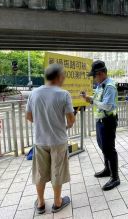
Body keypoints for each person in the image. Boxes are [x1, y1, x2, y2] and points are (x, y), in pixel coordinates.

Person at [26, 64, 75, 214]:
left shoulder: (34, 94)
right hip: (58, 141)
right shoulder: (64, 94)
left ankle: (40, 203)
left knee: (40, 173)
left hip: (40, 140)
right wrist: (65, 126)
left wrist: (43, 124)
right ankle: (57, 202)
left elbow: (29, 116)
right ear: (59, 77)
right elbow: (71, 120)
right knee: (57, 171)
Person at [81, 60, 120, 191]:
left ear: (102, 73)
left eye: (95, 75)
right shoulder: (100, 85)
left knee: (109, 148)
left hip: (108, 121)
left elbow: (107, 105)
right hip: (101, 121)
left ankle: (115, 178)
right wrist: (89, 98)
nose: (93, 78)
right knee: (102, 145)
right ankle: (107, 169)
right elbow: (99, 99)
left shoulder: (109, 86)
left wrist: (92, 100)